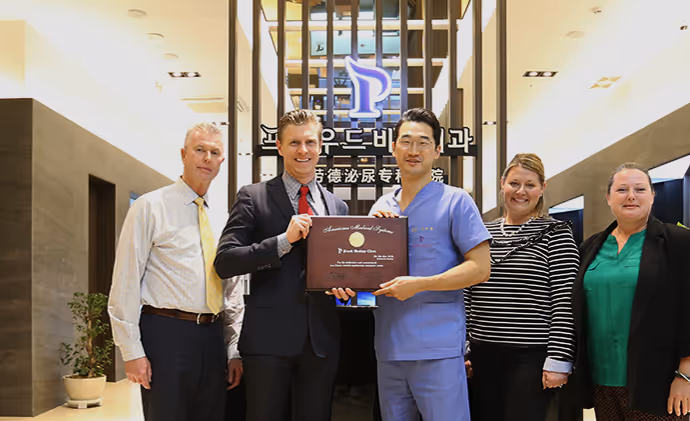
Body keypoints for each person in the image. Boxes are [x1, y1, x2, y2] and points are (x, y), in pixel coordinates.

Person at [331, 108, 491, 421]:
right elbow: (372, 284)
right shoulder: (381, 206)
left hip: (437, 349)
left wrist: (420, 284)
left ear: (437, 150)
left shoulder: (456, 201)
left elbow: (481, 268)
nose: (413, 150)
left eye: (423, 142)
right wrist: (345, 291)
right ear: (393, 148)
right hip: (389, 348)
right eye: (405, 141)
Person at [214, 109, 349, 421]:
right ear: (279, 146)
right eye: (294, 143)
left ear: (320, 146)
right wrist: (282, 241)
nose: (303, 150)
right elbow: (225, 261)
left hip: (321, 341)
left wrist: (346, 285)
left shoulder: (337, 206)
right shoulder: (253, 196)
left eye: (310, 142)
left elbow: (340, 268)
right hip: (268, 342)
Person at [108, 122, 244, 421]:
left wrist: (233, 348)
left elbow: (232, 290)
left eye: (214, 152)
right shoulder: (149, 207)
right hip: (166, 333)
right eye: (199, 149)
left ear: (222, 160)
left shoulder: (222, 219)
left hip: (213, 336)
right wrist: (132, 351)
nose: (207, 158)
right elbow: (126, 281)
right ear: (184, 154)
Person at [572, 163, 690, 420]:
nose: (631, 196)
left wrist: (686, 376)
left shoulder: (679, 242)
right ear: (608, 197)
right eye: (622, 190)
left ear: (652, 196)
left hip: (658, 382)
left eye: (640, 189)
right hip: (601, 380)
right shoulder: (590, 247)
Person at [464, 153, 578, 421]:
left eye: (530, 185)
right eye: (514, 183)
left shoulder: (557, 234)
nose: (521, 192)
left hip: (531, 357)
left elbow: (565, 301)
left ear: (542, 188)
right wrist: (463, 348)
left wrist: (559, 358)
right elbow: (466, 293)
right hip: (481, 353)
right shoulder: (481, 233)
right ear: (502, 184)